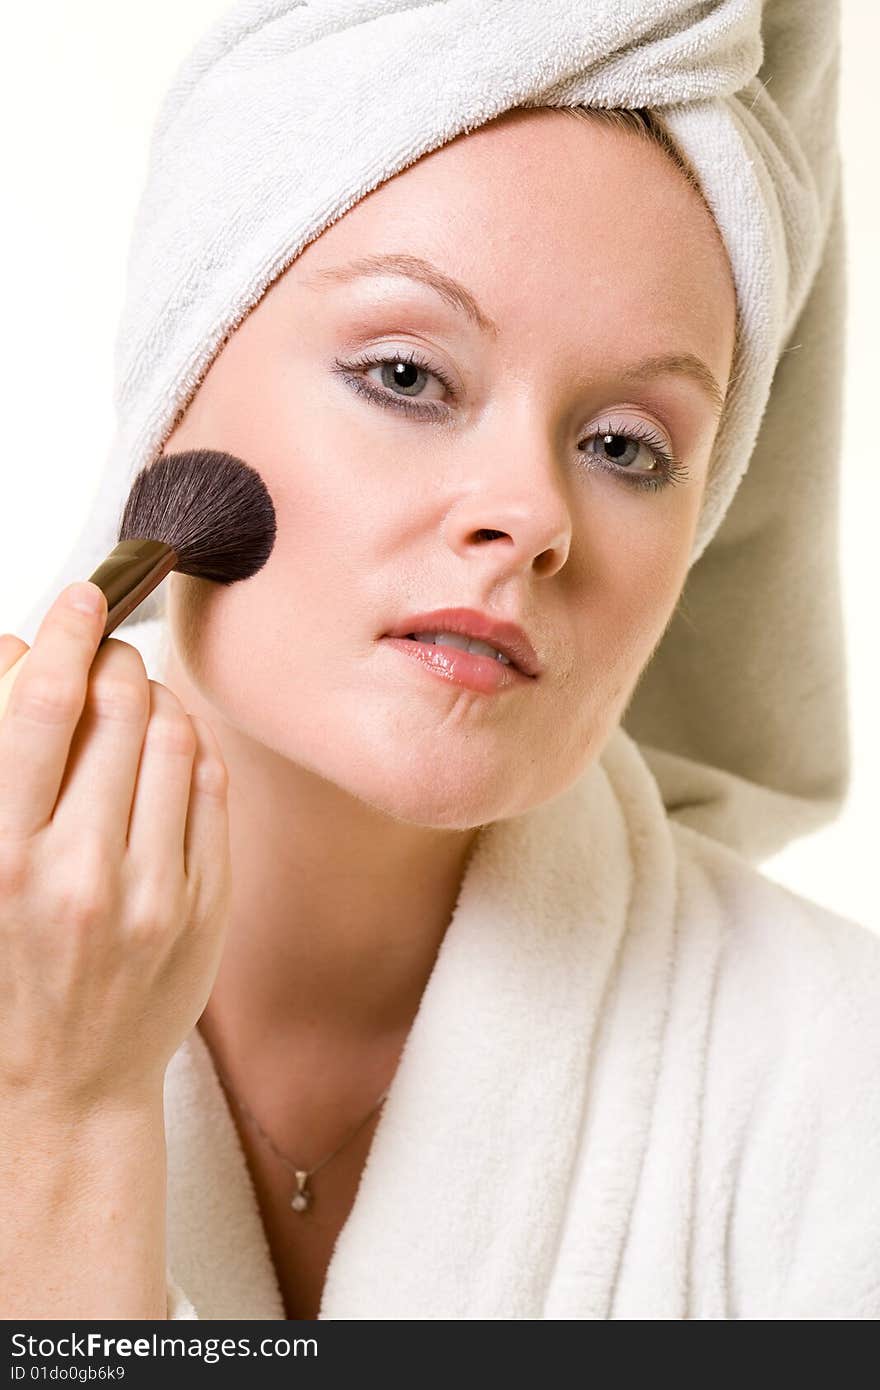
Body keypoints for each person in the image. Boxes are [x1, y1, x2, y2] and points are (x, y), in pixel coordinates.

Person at [3, 0, 876, 1322]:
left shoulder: (837, 1088)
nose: (529, 513)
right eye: (409, 374)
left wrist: (64, 1126)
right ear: (175, 383)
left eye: (629, 446)